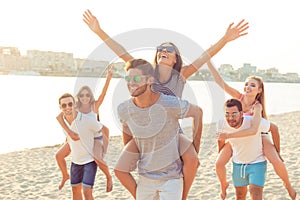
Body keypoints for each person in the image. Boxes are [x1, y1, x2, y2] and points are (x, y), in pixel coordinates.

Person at [83, 9, 249, 200]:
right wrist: (99, 31)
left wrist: (225, 38)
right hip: (145, 131)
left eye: (168, 50)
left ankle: (183, 196)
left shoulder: (181, 76)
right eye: (160, 49)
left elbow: (205, 55)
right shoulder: (146, 73)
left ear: (175, 58)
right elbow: (122, 52)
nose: (163, 51)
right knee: (123, 166)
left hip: (172, 131)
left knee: (192, 159)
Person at [207, 60, 296, 200]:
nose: (248, 87)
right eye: (246, 84)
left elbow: (257, 129)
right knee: (219, 163)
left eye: (252, 85)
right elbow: (221, 83)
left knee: (277, 162)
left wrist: (277, 151)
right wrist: (209, 62)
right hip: (237, 137)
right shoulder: (239, 98)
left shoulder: (257, 107)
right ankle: (223, 185)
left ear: (259, 90)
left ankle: (287, 184)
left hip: (258, 136)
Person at [114, 59, 202, 199]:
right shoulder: (124, 109)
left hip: (171, 178)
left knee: (192, 160)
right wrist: (132, 154)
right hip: (145, 178)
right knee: (119, 170)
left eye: (136, 78)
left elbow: (197, 112)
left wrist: (196, 146)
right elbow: (126, 128)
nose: (131, 82)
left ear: (150, 80)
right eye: (128, 78)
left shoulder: (168, 103)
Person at [55, 66, 113, 192]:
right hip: (79, 138)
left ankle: (108, 176)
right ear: (78, 98)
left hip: (95, 137)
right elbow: (63, 117)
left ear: (90, 96)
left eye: (87, 95)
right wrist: (67, 138)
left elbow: (104, 93)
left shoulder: (94, 106)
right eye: (82, 95)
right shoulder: (77, 108)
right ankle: (65, 175)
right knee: (59, 155)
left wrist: (108, 77)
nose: (85, 97)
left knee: (97, 158)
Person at [217, 98, 270, 200]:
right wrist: (221, 153)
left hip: (257, 162)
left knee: (256, 194)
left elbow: (274, 128)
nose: (230, 118)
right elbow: (220, 139)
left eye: (234, 114)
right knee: (240, 196)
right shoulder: (221, 124)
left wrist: (277, 151)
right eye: (227, 114)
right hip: (238, 164)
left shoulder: (253, 122)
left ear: (241, 114)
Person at [58, 93, 102, 200]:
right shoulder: (62, 120)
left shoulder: (84, 119)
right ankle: (65, 175)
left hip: (89, 161)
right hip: (75, 162)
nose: (67, 107)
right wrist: (69, 141)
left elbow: (101, 131)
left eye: (70, 104)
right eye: (64, 105)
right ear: (60, 107)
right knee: (75, 191)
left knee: (87, 192)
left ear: (75, 104)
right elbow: (67, 135)